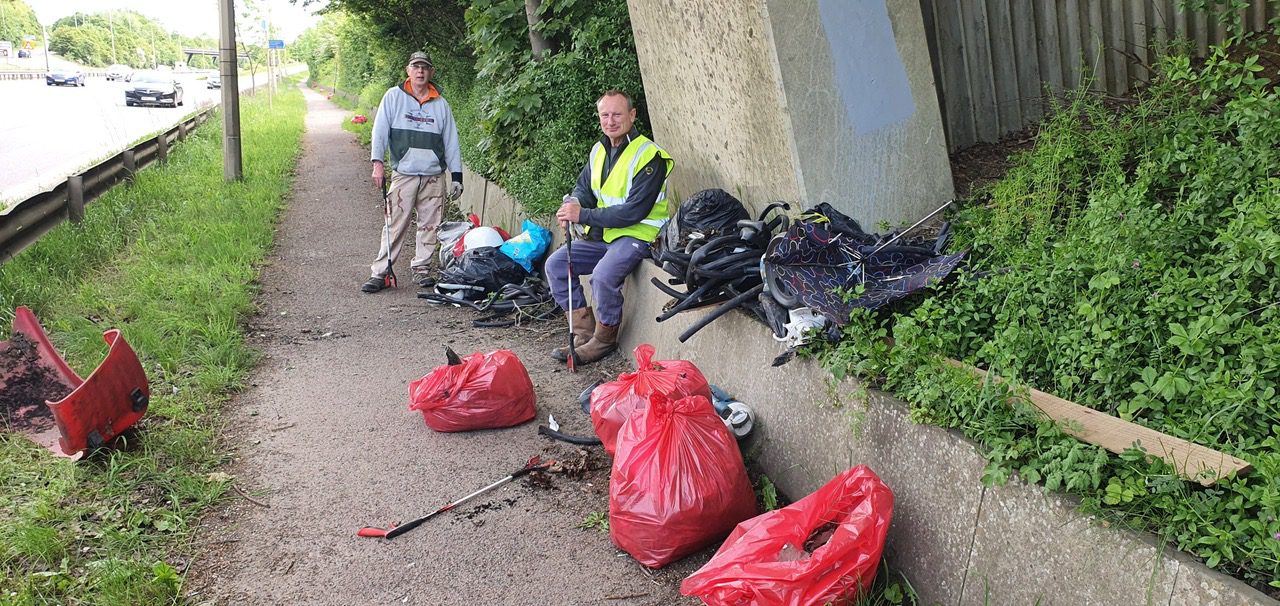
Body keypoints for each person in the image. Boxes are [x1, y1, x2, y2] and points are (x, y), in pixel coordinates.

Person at [546, 90, 675, 365]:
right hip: (606, 235)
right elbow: (584, 188)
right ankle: (583, 333)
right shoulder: (599, 150)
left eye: (617, 114)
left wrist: (584, 215)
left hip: (639, 234)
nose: (610, 121)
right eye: (605, 115)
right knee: (557, 264)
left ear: (632, 115)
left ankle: (604, 340)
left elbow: (634, 211)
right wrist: (571, 205)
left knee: (603, 276)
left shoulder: (649, 155)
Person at [363, 51, 463, 293]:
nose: (420, 71)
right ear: (408, 70)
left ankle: (421, 269)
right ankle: (381, 272)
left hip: (432, 176)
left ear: (431, 73)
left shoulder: (440, 104)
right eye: (416, 67)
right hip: (404, 174)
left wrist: (457, 175)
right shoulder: (393, 97)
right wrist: (377, 162)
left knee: (430, 225)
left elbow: (451, 141)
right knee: (395, 223)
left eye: (425, 68)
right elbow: (380, 131)